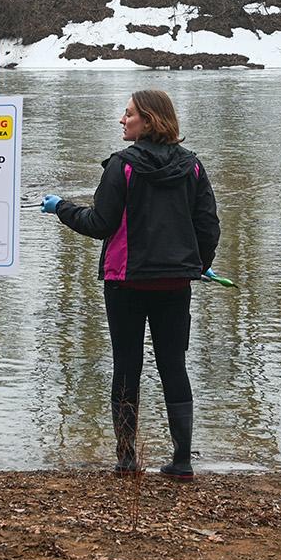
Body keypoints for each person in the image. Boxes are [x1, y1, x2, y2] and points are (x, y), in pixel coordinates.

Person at [40, 89, 219, 480]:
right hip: (174, 284)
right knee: (174, 365)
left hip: (126, 283)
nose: (123, 120)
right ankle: (182, 461)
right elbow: (208, 226)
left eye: (129, 114)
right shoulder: (192, 167)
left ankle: (126, 458)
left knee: (127, 365)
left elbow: (98, 224)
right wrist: (197, 265)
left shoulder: (121, 166)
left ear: (149, 121)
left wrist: (61, 208)